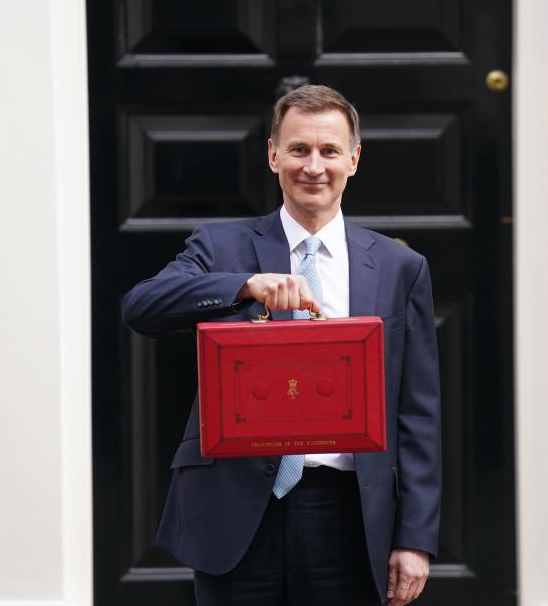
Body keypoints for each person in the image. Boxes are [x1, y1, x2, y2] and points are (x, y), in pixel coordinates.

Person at [121, 85, 441, 606]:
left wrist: (415, 537)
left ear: (354, 160)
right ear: (274, 155)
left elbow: (419, 412)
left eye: (329, 151)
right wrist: (243, 286)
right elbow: (142, 306)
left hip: (350, 512)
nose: (314, 166)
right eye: (298, 149)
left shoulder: (399, 267)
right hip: (237, 508)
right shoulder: (221, 245)